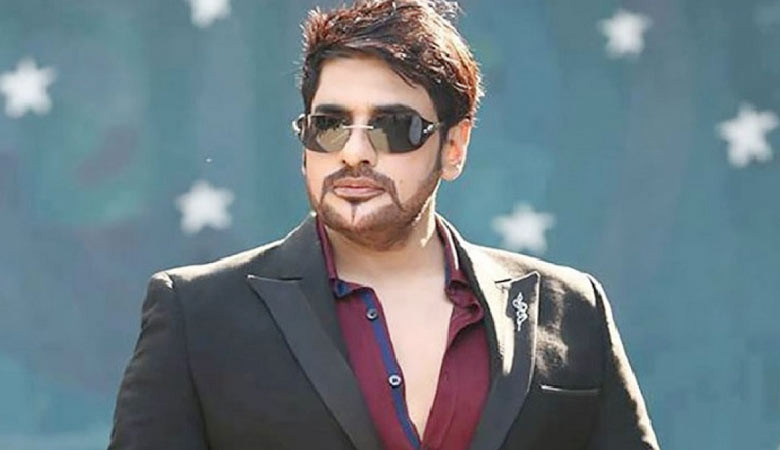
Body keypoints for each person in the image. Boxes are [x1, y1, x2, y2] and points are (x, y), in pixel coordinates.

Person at [108, 1, 660, 449]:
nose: (354, 152)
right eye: (330, 125)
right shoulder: (197, 314)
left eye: (393, 127)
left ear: (454, 146)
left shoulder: (570, 308)